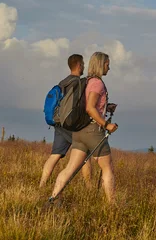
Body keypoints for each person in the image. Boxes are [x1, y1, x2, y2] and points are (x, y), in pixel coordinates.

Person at [50, 51, 118, 203]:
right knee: (108, 168)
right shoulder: (97, 83)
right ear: (101, 64)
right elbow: (90, 108)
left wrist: (106, 108)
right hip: (93, 131)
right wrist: (107, 124)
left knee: (70, 168)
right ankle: (113, 207)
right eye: (107, 64)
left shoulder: (85, 81)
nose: (109, 67)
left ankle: (53, 198)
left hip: (78, 132)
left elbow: (88, 106)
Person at [39, 54, 92, 188]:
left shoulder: (62, 83)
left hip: (58, 123)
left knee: (55, 155)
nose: (84, 66)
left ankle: (42, 184)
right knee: (85, 155)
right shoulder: (78, 84)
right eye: (83, 64)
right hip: (71, 124)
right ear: (79, 65)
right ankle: (89, 187)